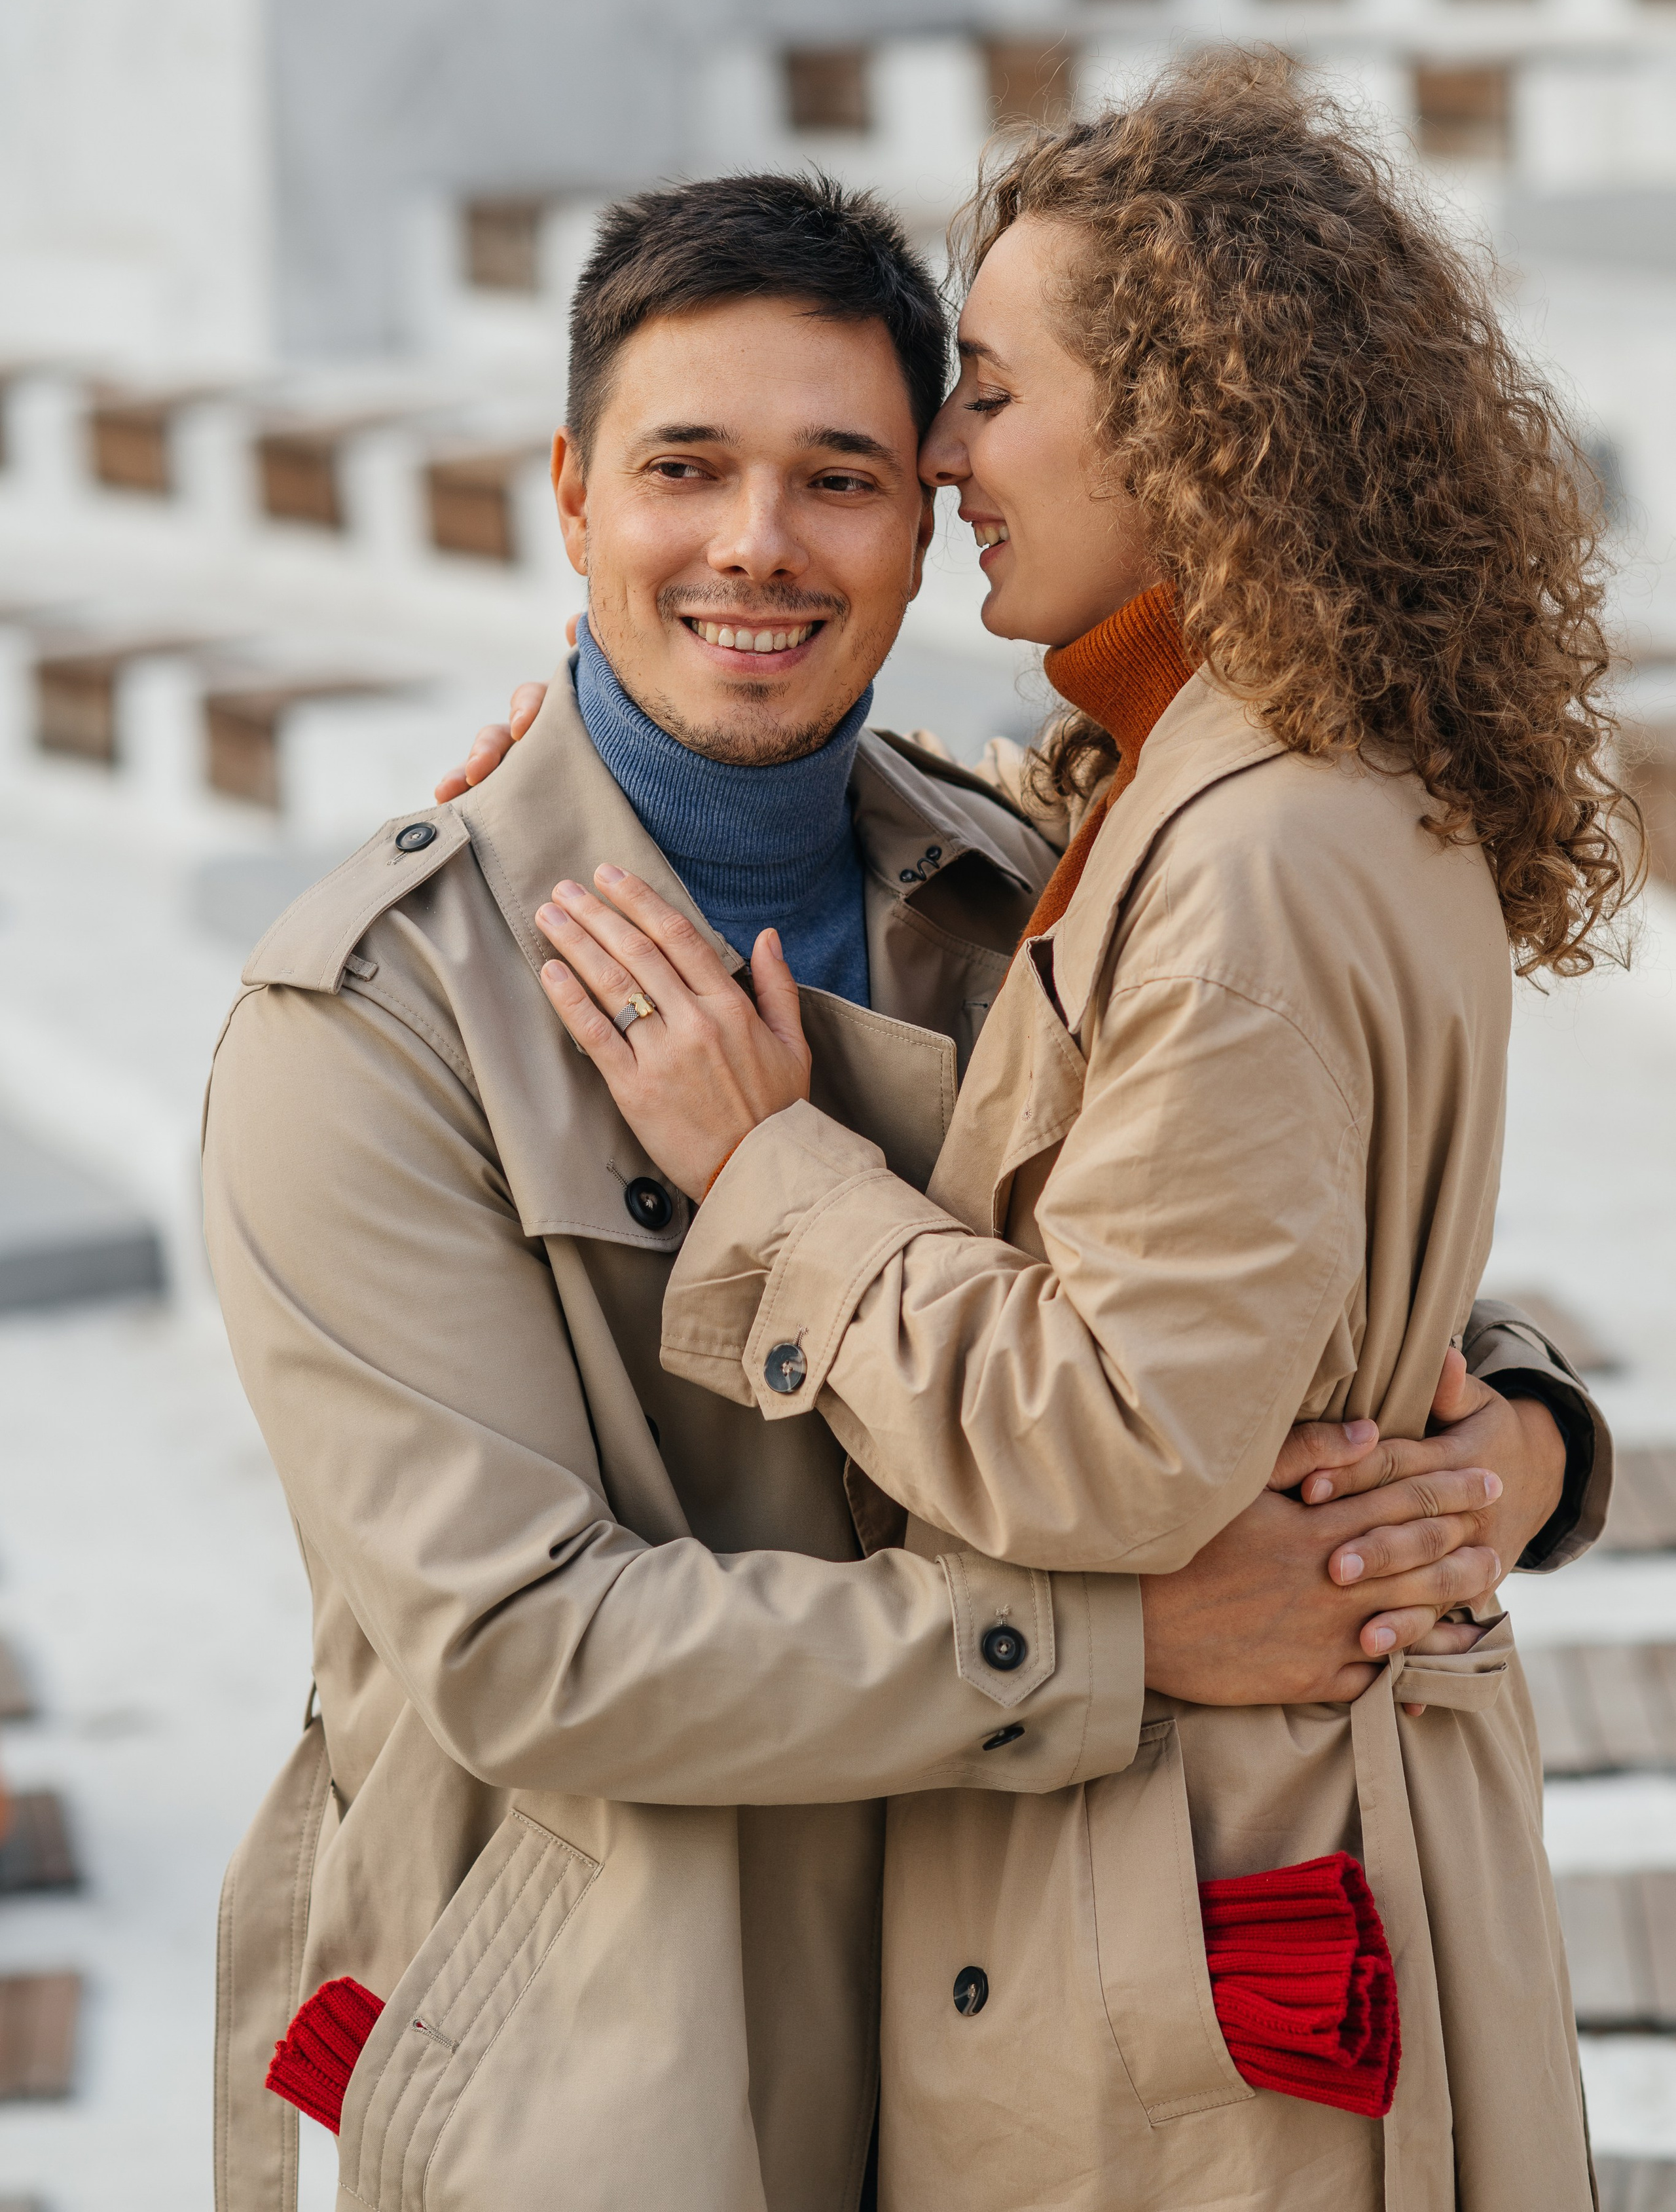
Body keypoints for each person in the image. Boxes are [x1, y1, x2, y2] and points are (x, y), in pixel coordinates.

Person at [204, 171, 1600, 2212]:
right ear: (574, 494)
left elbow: (1235, 1252)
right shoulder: (375, 1020)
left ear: (928, 511)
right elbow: (517, 1649)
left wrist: (1529, 1437)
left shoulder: (1024, 875)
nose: (757, 545)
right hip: (630, 2058)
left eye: (841, 475)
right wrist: (1110, 1646)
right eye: (687, 468)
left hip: (1026, 2032)